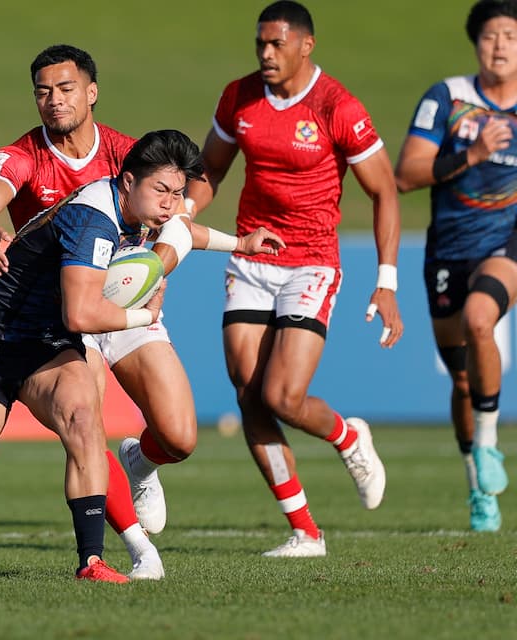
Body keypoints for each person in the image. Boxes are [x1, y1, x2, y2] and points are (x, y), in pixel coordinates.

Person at [0, 44, 283, 580]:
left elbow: (175, 224)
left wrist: (240, 244)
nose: (53, 100)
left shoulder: (131, 156)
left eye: (65, 88)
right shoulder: (32, 160)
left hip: (90, 305)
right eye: (43, 91)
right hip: (16, 325)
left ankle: (92, 560)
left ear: (91, 92)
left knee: (124, 424)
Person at [0, 129, 202, 583]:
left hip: (47, 342)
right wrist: (143, 316)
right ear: (126, 183)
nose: (170, 203)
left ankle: (92, 562)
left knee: (84, 419)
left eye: (177, 193)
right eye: (161, 191)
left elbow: (185, 230)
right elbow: (81, 314)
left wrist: (241, 244)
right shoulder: (94, 221)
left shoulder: (144, 210)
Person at [187, 1, 403, 557]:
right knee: (249, 394)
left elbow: (383, 190)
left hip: (310, 263)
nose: (265, 54)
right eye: (260, 43)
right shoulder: (239, 98)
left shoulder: (339, 107)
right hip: (252, 258)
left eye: (277, 44)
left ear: (306, 45)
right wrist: (181, 216)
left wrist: (387, 281)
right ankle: (305, 532)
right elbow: (211, 168)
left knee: (283, 395)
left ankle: (347, 437)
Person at [394, 0, 517, 532]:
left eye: (511, 36)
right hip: (447, 250)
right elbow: (405, 173)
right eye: (492, 36)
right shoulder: (448, 98)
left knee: (480, 321)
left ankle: (489, 445)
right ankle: (477, 487)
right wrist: (471, 154)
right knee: (462, 381)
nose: (501, 46)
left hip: (505, 242)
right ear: (476, 43)